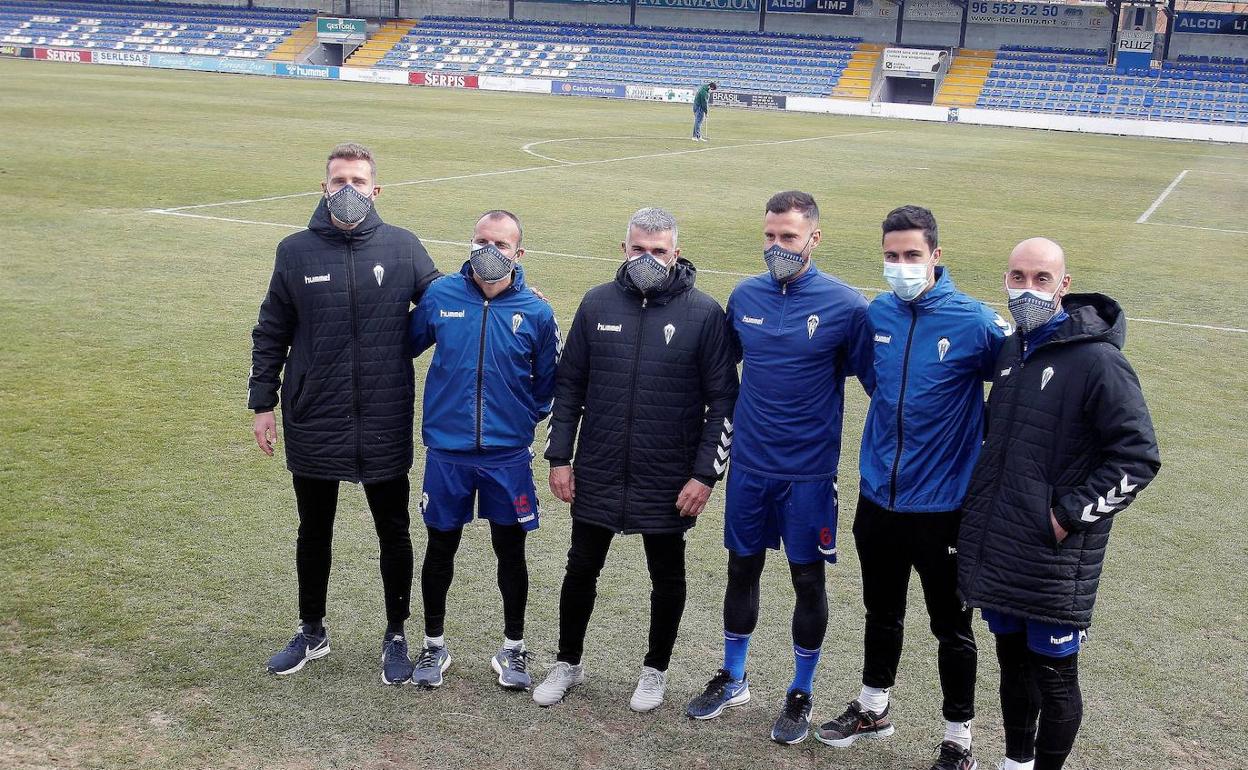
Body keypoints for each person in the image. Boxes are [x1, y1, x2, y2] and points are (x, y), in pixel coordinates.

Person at [814, 206, 1009, 770]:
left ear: (936, 257)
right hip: (878, 497)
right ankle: (874, 707)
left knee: (951, 627)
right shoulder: (877, 313)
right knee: (881, 609)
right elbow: (879, 386)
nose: (900, 266)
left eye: (911, 256)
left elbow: (1019, 385)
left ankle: (958, 738)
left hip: (944, 508)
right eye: (891, 256)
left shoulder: (974, 323)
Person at [958, 237, 1161, 770]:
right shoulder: (1011, 350)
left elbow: (1138, 458)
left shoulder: (1099, 361)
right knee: (1012, 667)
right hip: (1002, 545)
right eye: (1017, 277)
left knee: (1055, 677)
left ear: (1063, 286)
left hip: (1053, 558)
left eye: (1040, 279)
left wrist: (1067, 516)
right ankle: (1016, 763)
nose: (1026, 289)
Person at [249, 142, 441, 685]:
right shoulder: (295, 251)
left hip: (383, 412)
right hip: (313, 412)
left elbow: (447, 302)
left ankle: (396, 633)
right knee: (314, 528)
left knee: (394, 529)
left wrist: (511, 290)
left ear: (376, 190)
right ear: (324, 188)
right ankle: (312, 630)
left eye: (359, 180)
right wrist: (264, 402)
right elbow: (272, 329)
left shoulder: (404, 248)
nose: (349, 190)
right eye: (339, 181)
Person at [533, 207, 738, 712]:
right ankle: (567, 662)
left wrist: (704, 475)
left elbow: (723, 402)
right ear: (624, 249)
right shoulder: (596, 302)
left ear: (676, 254)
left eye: (659, 251)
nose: (649, 259)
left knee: (666, 576)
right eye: (639, 250)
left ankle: (655, 670)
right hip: (599, 466)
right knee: (580, 568)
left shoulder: (705, 314)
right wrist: (560, 457)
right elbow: (570, 386)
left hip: (667, 474)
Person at [686, 191, 873, 745]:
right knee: (740, 570)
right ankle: (734, 675)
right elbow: (716, 374)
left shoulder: (846, 306)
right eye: (769, 236)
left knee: (806, 580)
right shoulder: (744, 296)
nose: (776, 247)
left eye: (788, 237)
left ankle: (800, 689)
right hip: (748, 467)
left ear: (813, 238)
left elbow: (880, 388)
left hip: (809, 475)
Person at [406, 210, 560, 690]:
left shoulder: (536, 311)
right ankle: (433, 645)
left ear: (519, 253)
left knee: (510, 552)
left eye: (501, 243)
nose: (490, 251)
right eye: (481, 241)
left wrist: (519, 421)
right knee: (440, 548)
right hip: (447, 453)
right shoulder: (441, 296)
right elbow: (402, 345)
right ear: (470, 244)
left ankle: (513, 649)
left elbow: (550, 384)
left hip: (507, 457)